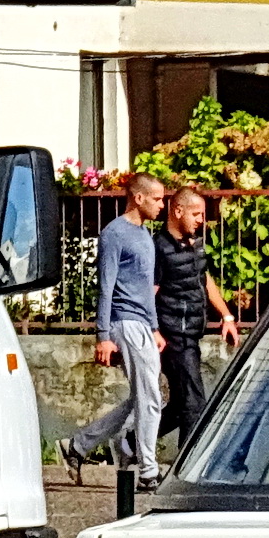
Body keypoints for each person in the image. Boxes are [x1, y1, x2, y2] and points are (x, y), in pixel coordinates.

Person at [61, 173, 169, 491]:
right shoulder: (115, 233)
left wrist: (154, 327)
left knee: (145, 397)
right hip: (125, 323)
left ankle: (79, 446)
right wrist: (103, 335)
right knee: (150, 398)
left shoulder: (145, 235)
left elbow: (145, 290)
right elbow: (106, 286)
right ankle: (148, 471)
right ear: (139, 198)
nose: (162, 205)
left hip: (142, 325)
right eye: (157, 198)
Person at [154, 187, 240, 451]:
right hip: (173, 334)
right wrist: (153, 329)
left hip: (192, 331)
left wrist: (226, 316)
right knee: (194, 403)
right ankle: (186, 466)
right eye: (196, 214)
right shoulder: (159, 247)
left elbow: (204, 281)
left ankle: (129, 444)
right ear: (178, 211)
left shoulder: (196, 246)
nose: (201, 220)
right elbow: (150, 291)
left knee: (182, 405)